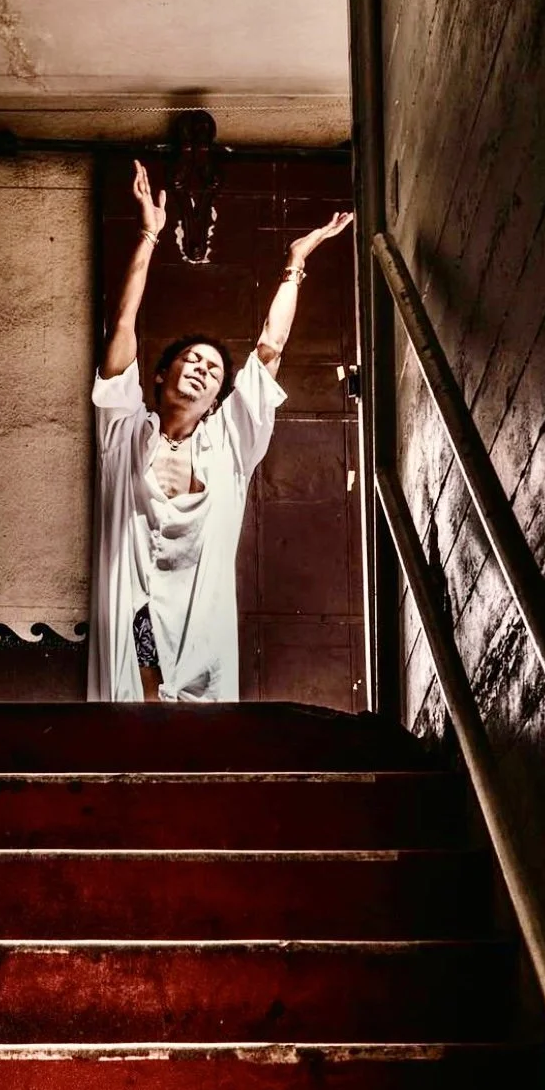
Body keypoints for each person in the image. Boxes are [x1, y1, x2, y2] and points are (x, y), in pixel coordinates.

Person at [88, 159, 353, 702]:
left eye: (213, 369)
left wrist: (295, 263)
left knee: (199, 738)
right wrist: (148, 236)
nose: (202, 368)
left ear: (217, 398)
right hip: (134, 627)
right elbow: (123, 329)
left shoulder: (228, 444)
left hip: (201, 642)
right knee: (134, 717)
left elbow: (270, 348)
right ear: (160, 375)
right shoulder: (124, 435)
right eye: (190, 359)